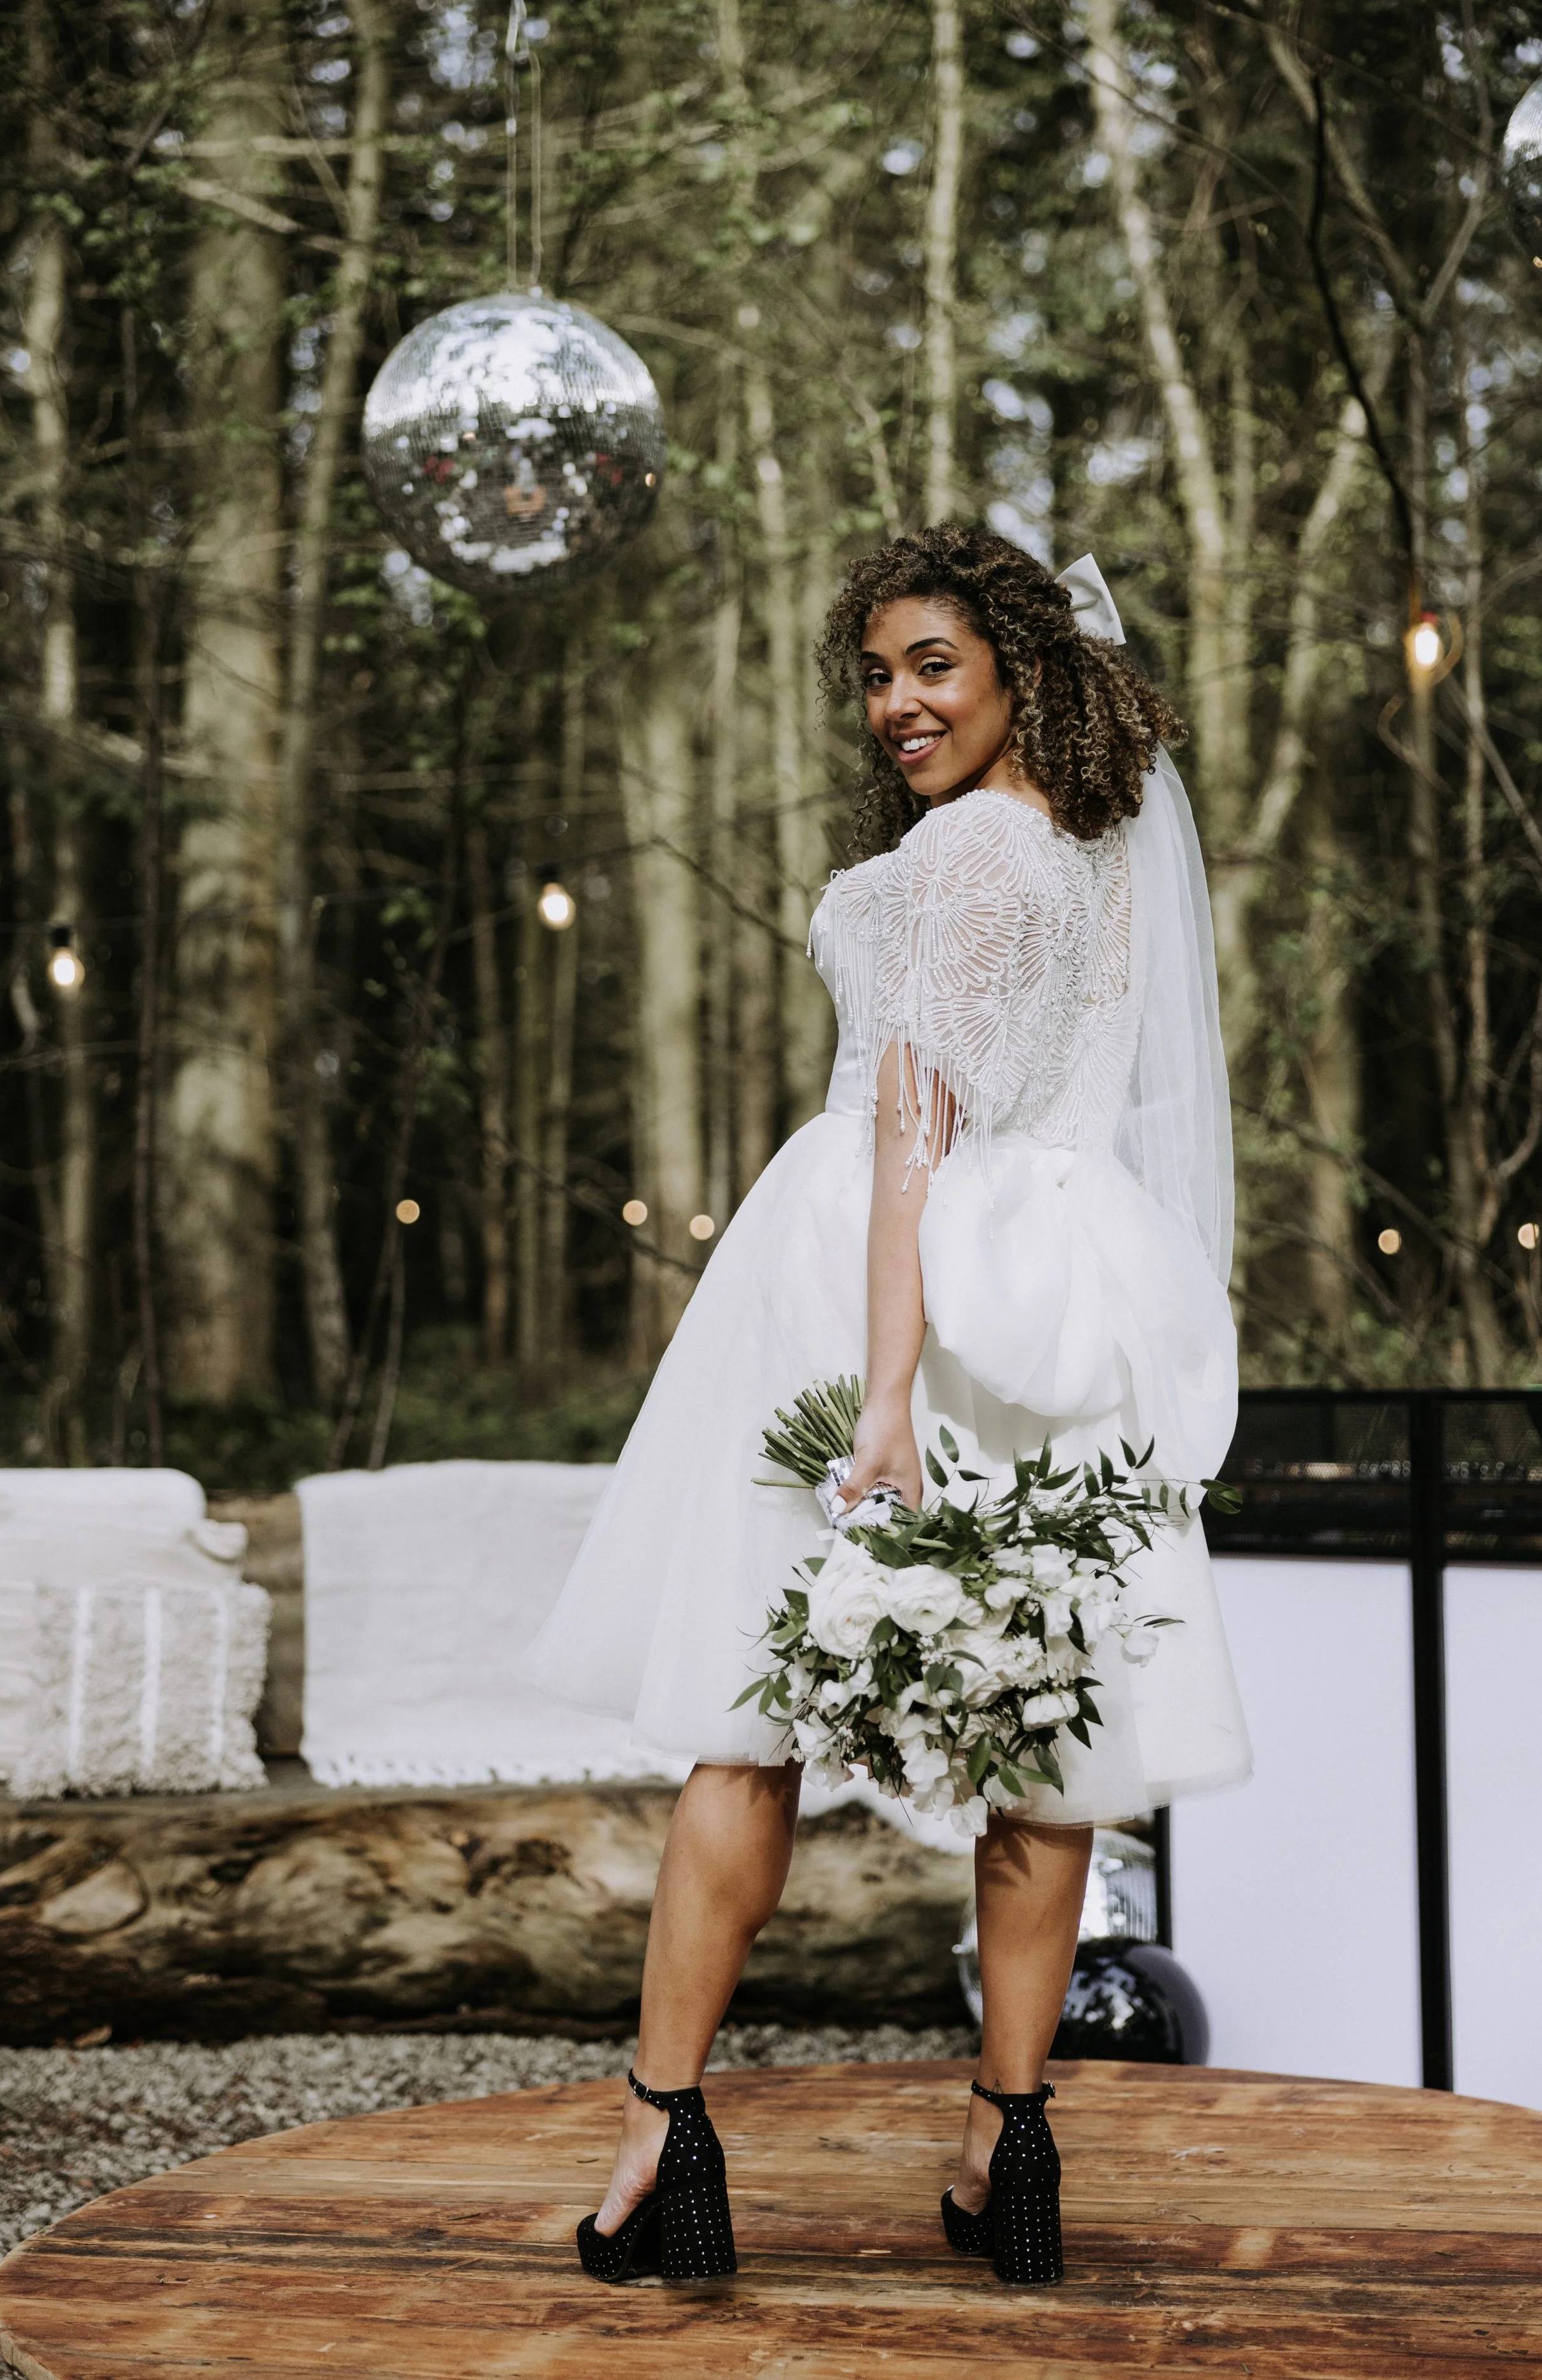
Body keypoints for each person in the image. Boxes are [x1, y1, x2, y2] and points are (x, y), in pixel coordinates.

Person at [522, 523, 1251, 2289]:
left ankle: (661, 2124)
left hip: (879, 1281)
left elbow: (913, 1131)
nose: (896, 702)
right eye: (873, 673)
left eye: (930, 663)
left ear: (1010, 660)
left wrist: (883, 1396)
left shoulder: (957, 856)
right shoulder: (1088, 847)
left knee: (747, 1705)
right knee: (1044, 1727)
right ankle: (1009, 2143)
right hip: (1058, 1285)